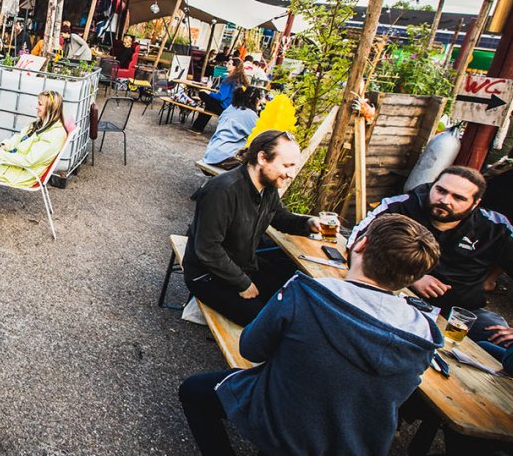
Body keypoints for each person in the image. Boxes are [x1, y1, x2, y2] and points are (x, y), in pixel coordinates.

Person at [179, 214, 443, 456]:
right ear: (414, 277)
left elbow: (250, 349)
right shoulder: (424, 335)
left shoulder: (306, 293)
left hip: (282, 424)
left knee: (193, 391)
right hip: (355, 446)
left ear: (360, 245)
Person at [351, 165, 513, 342]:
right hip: (393, 292)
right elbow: (357, 242)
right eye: (440, 190)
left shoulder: (493, 228)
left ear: (475, 203)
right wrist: (411, 278)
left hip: (458, 314)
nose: (445, 200)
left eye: (458, 198)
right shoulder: (401, 206)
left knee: (505, 344)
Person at [182, 130, 320, 326]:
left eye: (293, 166)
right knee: (267, 322)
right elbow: (208, 249)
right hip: (207, 276)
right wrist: (243, 283)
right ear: (262, 158)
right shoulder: (222, 190)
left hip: (242, 264)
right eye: (286, 165)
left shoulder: (268, 187)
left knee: (296, 289)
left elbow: (279, 217)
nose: (291, 173)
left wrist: (308, 224)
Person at [200, 87, 265, 170]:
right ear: (256, 100)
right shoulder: (251, 115)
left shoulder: (231, 108)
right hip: (225, 158)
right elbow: (260, 136)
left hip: (211, 154)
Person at [192, 58, 249, 133]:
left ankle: (197, 128)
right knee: (209, 106)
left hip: (223, 108)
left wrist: (208, 92)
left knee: (202, 93)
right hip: (234, 109)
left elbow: (221, 97)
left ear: (235, 67)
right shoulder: (243, 80)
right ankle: (197, 128)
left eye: (229, 64)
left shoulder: (228, 79)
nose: (226, 65)